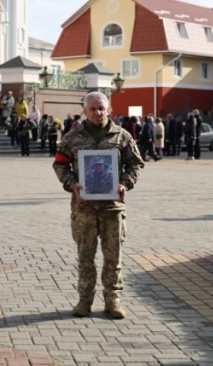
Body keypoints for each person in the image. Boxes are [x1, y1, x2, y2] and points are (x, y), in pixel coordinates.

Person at [53, 91, 144, 320]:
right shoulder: (71, 139)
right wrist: (72, 184)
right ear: (84, 111)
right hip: (84, 209)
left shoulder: (122, 137)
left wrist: (124, 184)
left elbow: (135, 164)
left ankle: (113, 300)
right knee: (85, 256)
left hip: (112, 208)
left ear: (109, 109)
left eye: (102, 108)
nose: (98, 113)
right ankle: (85, 300)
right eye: (93, 109)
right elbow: (59, 165)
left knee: (113, 256)